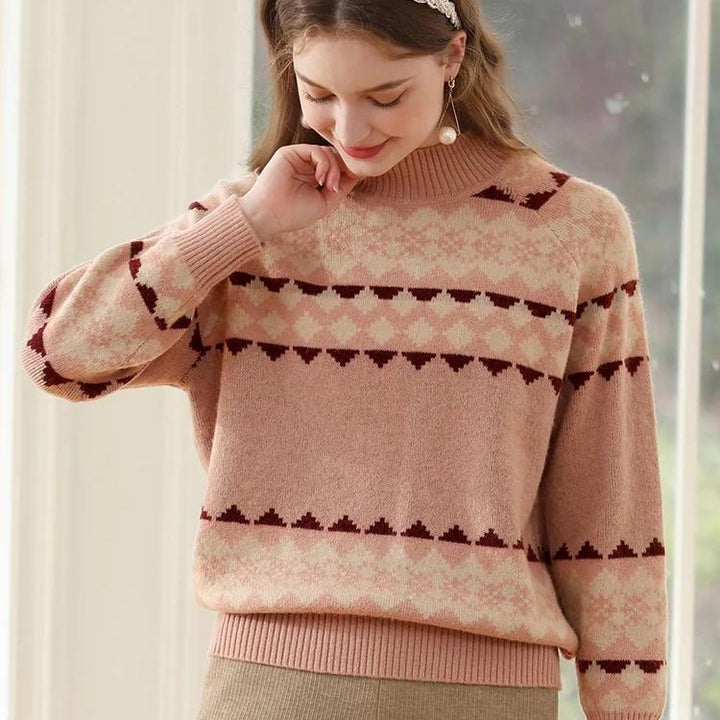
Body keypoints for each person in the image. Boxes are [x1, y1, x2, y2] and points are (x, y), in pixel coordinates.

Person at [20, 0, 669, 718]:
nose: (351, 130)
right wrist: (244, 224)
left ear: (452, 57)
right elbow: (58, 354)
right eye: (320, 94)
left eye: (384, 97)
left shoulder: (570, 230)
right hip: (270, 691)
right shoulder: (254, 225)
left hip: (487, 696)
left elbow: (611, 508)